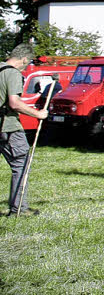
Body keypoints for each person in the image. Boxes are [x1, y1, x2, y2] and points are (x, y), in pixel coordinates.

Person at [0, 43, 49, 216]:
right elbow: (14, 103)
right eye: (27, 63)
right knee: (21, 165)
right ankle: (19, 208)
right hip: (8, 127)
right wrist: (38, 114)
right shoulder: (12, 73)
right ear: (24, 59)